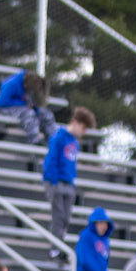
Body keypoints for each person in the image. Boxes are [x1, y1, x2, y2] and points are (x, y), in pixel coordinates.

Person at [41, 105, 94, 254]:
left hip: (68, 183)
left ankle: (59, 247)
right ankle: (55, 250)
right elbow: (50, 161)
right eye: (83, 128)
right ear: (75, 122)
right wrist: (53, 181)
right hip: (56, 182)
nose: (83, 132)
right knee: (58, 217)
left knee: (65, 219)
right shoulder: (58, 137)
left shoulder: (74, 142)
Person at [0, 67, 54, 146]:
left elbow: (34, 105)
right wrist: (24, 104)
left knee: (46, 114)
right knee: (28, 113)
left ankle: (53, 141)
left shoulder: (30, 86)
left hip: (21, 109)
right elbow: (1, 102)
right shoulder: (13, 82)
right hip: (2, 109)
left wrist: (35, 108)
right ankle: (34, 141)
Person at [73, 204, 118, 271]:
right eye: (101, 223)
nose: (104, 226)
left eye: (106, 223)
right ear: (94, 223)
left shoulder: (105, 241)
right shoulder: (86, 236)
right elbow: (86, 262)